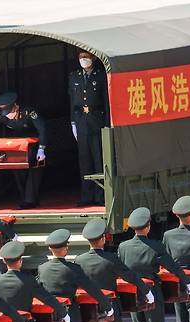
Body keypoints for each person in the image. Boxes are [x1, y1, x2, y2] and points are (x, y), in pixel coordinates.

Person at [118, 207, 190, 322]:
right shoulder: (155, 246)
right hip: (152, 293)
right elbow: (173, 266)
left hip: (133, 294)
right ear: (148, 226)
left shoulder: (123, 247)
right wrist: (187, 281)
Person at [0, 92, 47, 209]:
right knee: (19, 172)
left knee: (33, 172)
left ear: (15, 107)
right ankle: (25, 199)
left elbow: (43, 129)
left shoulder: (28, 112)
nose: (7, 116)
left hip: (34, 145)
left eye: (9, 112)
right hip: (17, 148)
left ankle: (30, 201)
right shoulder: (2, 115)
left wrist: (42, 149)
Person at [69, 51, 108, 206]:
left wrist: (106, 122)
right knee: (84, 159)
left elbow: (106, 100)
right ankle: (87, 196)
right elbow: (72, 100)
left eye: (86, 57)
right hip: (81, 120)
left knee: (98, 158)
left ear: (93, 58)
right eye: (80, 57)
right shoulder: (74, 76)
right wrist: (73, 122)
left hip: (97, 119)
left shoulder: (100, 75)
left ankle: (100, 196)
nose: (83, 60)